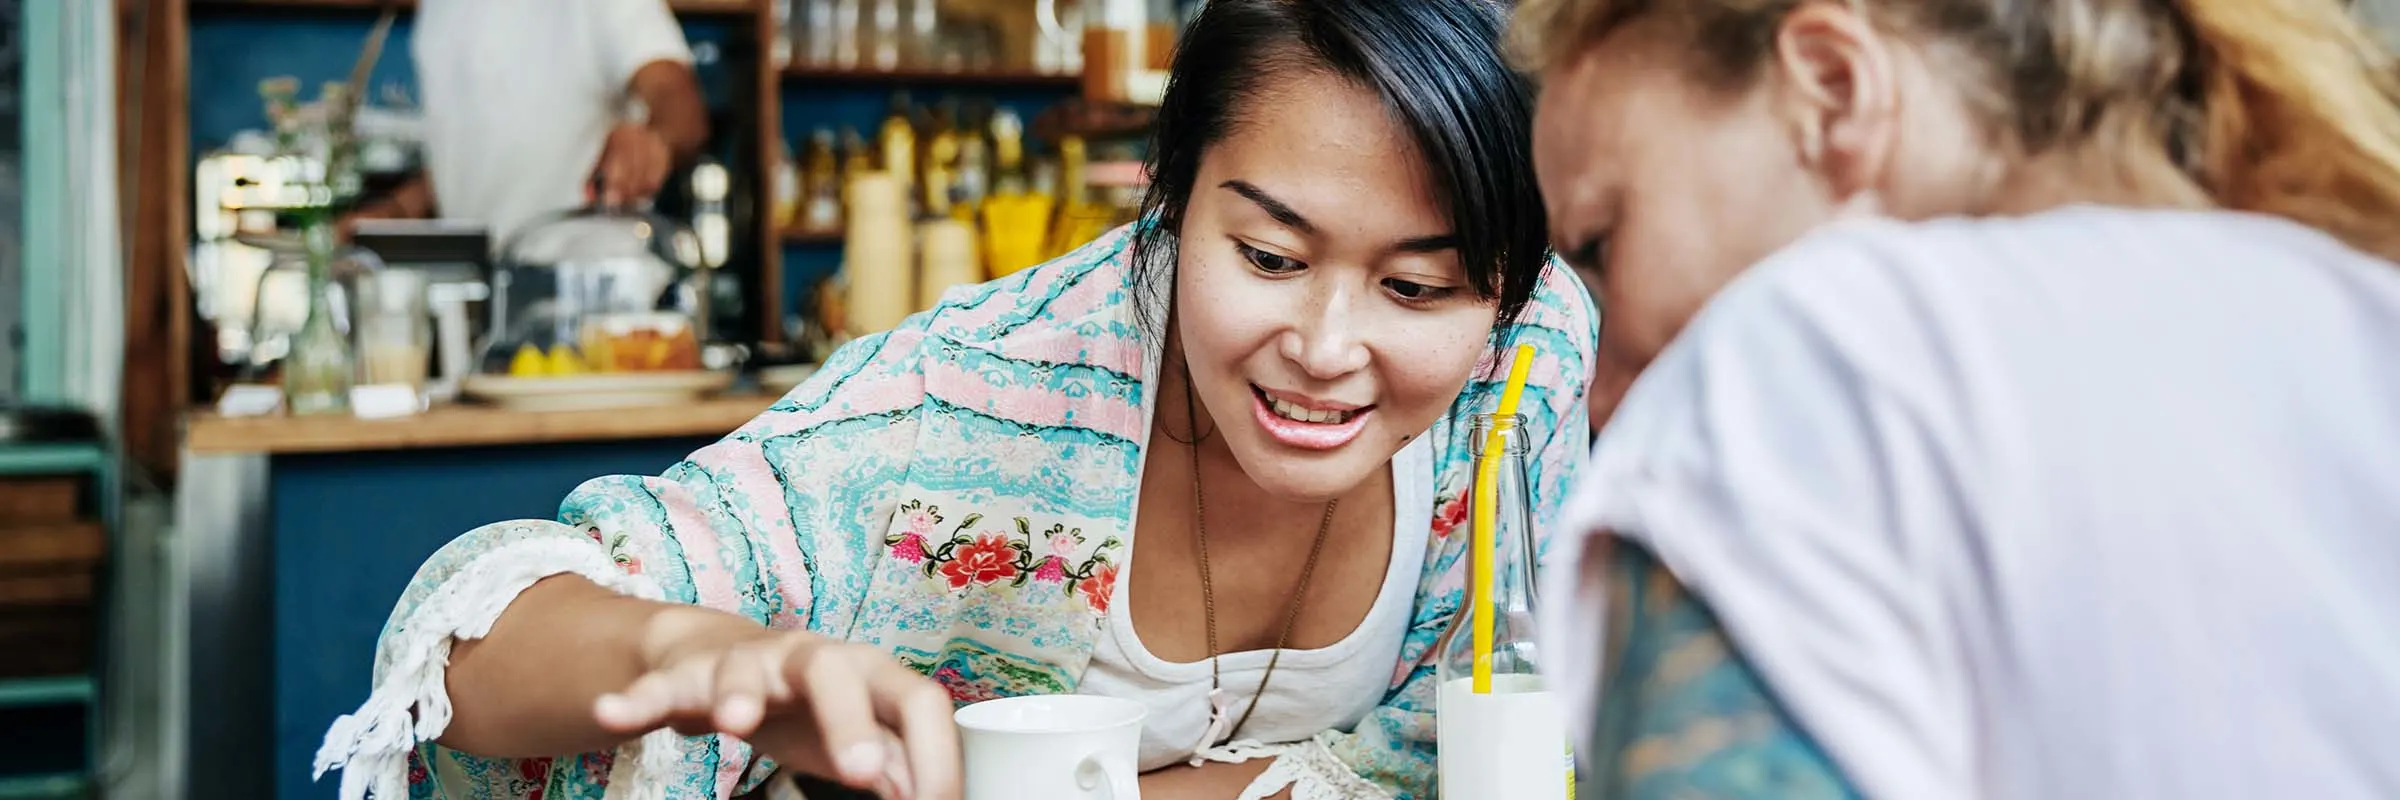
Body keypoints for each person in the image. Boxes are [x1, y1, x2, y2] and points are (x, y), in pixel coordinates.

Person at [312, 0, 1598, 797]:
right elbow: (464, 649)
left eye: (1418, 288)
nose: (1326, 347)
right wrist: (693, 652)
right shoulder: (967, 403)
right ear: (1168, 191)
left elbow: (1464, 734)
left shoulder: (1529, 364)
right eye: (1267, 257)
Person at [1512, 0, 2400, 797]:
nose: (1600, 392)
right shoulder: (2357, 312)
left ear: (1830, 89)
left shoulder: (1810, 354)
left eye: (1600, 243)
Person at [344, 0, 709, 246]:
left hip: (586, 290)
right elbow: (482, 149)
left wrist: (651, 141)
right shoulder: (439, 10)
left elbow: (674, 95)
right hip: (483, 292)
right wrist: (393, 214)